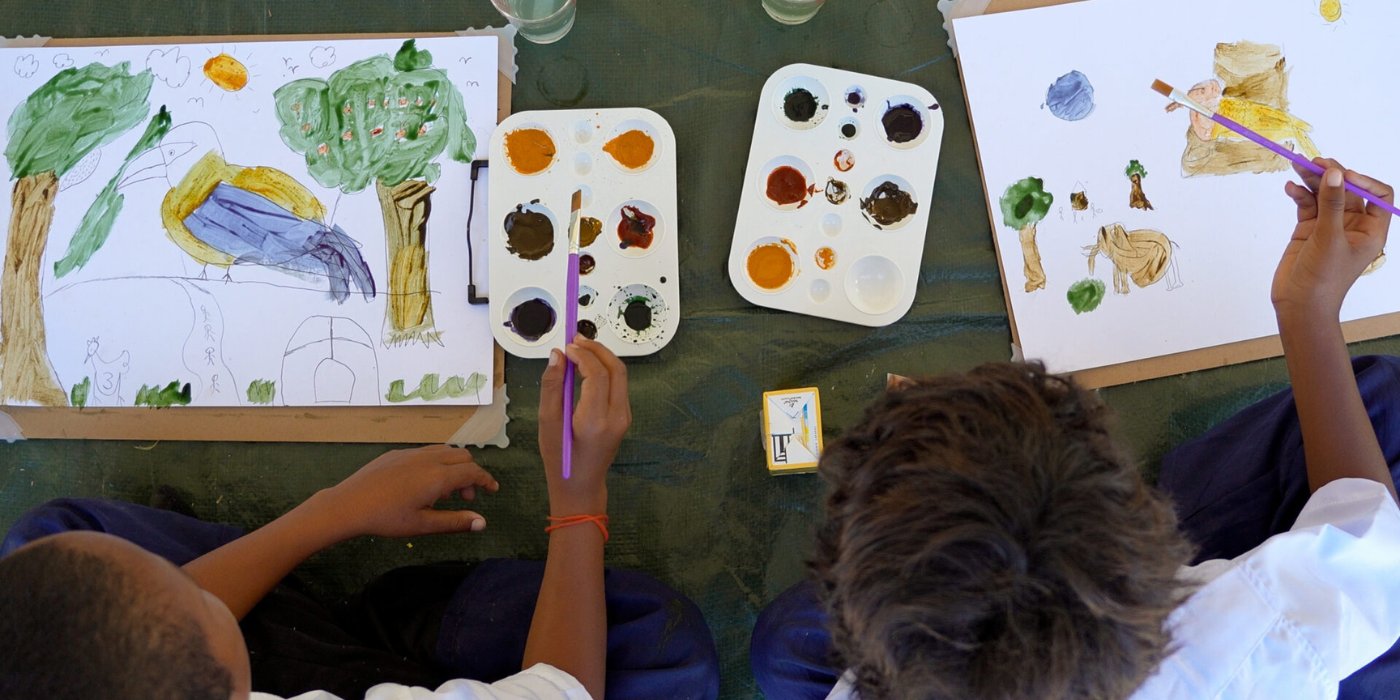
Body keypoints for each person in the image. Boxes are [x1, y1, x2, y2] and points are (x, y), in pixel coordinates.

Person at [750, 158, 1400, 699]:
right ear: (1157, 541)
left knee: (789, 641)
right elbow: (1367, 543)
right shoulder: (1254, 644)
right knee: (1384, 404)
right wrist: (1308, 308)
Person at [0, 337, 720, 700]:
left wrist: (329, 511)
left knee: (55, 547)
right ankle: (387, 647)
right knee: (662, 645)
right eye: (190, 589)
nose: (196, 579)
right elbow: (563, 693)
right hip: (352, 672)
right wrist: (578, 501)